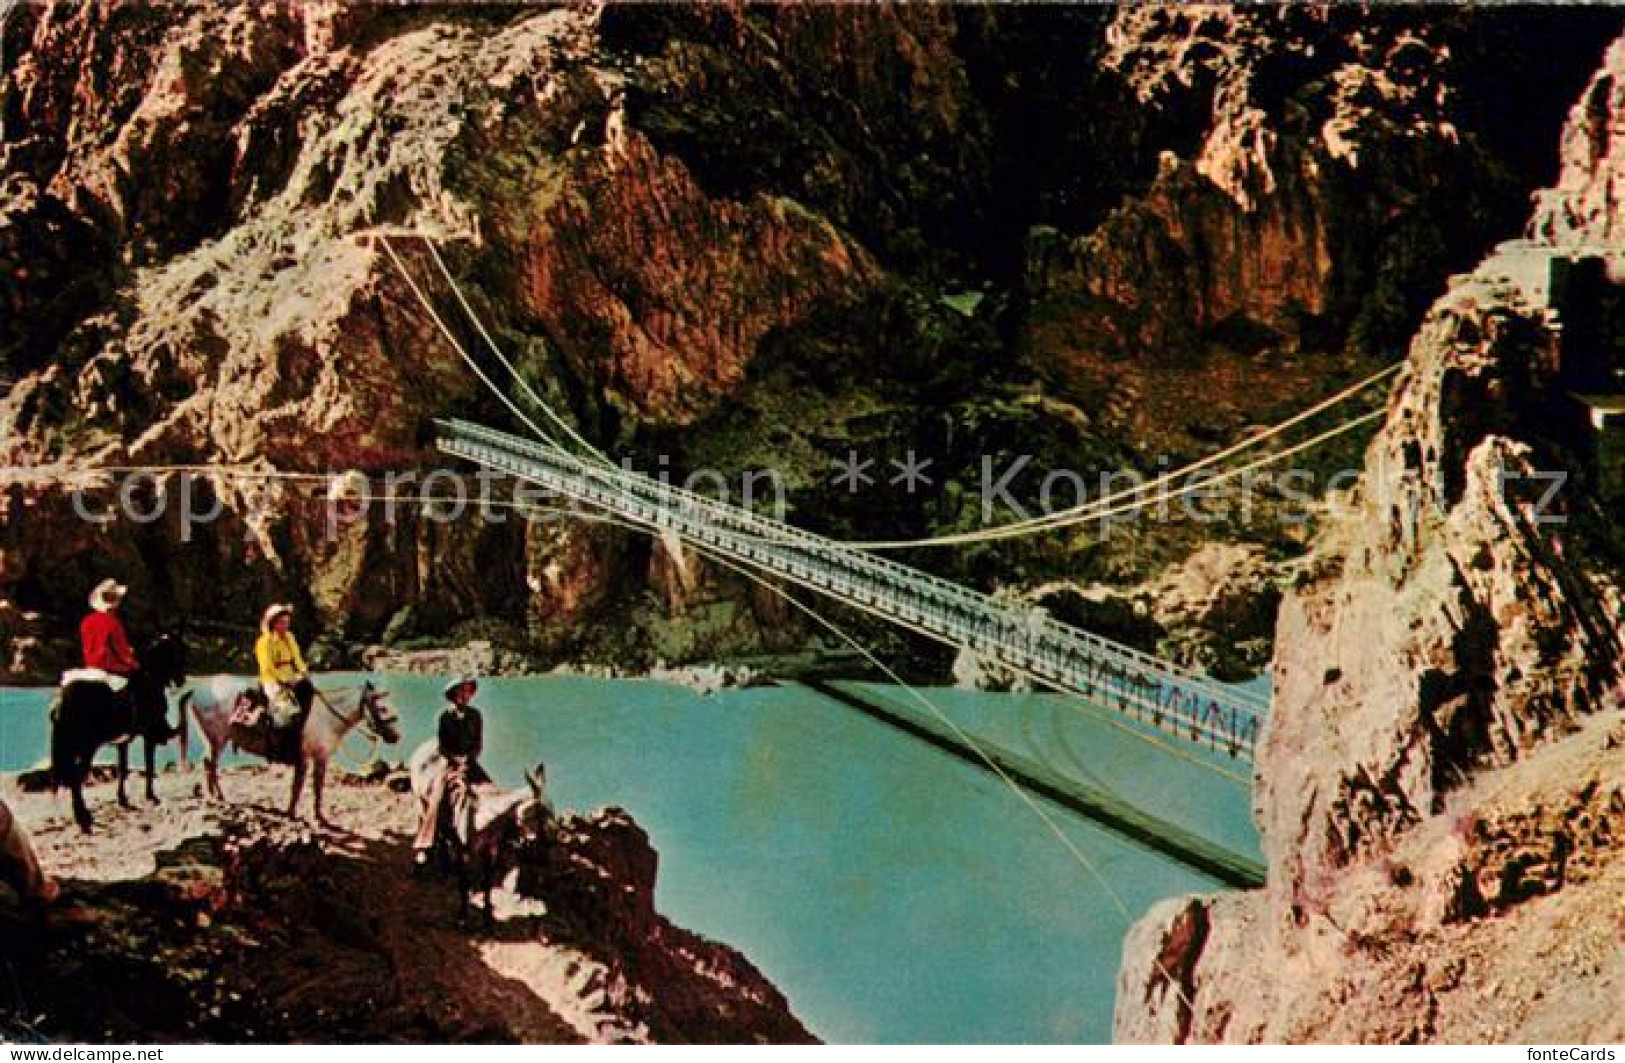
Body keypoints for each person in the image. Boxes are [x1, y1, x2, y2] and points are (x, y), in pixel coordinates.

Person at [413, 675, 490, 866]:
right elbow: (442, 746)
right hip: (448, 761)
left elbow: (478, 743)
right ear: (453, 695)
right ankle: (425, 845)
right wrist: (455, 759)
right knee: (438, 797)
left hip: (469, 761)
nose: (464, 696)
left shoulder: (476, 715)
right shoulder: (445, 716)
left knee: (490, 788)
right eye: (460, 692)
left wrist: (470, 758)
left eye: (467, 692)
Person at [254, 603, 315, 761]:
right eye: (282, 622)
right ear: (273, 623)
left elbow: (297, 657)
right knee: (286, 712)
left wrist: (303, 672)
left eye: (287, 622)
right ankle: (280, 748)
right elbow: (267, 667)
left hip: (291, 677)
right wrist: (284, 680)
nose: (285, 625)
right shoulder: (264, 642)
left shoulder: (289, 637)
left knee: (309, 698)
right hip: (272, 680)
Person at [79, 579, 138, 681]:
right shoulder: (113, 622)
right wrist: (133, 663)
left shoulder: (86, 621)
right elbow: (120, 650)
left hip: (91, 667)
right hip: (111, 668)